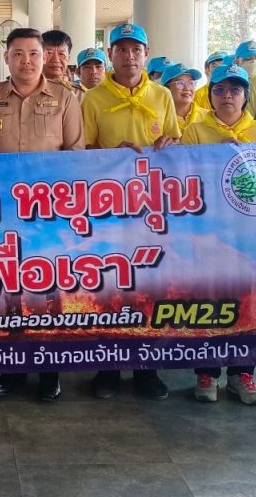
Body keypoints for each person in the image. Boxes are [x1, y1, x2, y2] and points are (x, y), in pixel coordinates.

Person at [0, 28, 85, 403]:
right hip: (3, 211)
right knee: (9, 290)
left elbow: (74, 156)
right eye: (18, 54)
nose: (27, 61)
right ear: (7, 58)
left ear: (44, 56)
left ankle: (50, 370)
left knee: (50, 288)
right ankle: (13, 367)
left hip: (48, 212)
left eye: (34, 53)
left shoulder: (65, 99)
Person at [81, 22, 177, 401]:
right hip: (108, 208)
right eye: (121, 49)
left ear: (146, 54)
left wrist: (170, 143)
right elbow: (82, 151)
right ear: (111, 55)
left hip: (153, 207)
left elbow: (175, 141)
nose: (129, 56)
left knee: (150, 285)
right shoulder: (92, 99)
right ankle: (107, 367)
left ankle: (146, 368)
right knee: (110, 285)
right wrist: (111, 155)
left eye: (136, 49)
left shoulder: (163, 96)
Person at [182, 64, 256, 405]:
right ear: (210, 95)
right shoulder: (195, 131)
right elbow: (184, 177)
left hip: (251, 233)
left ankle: (243, 372)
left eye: (235, 90)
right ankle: (206, 371)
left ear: (246, 96)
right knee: (207, 299)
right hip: (208, 229)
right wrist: (215, 157)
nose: (227, 96)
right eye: (219, 90)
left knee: (249, 300)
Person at [40, 30, 82, 100]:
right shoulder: (28, 89)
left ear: (68, 59)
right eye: (49, 53)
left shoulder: (79, 93)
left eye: (61, 54)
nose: (56, 59)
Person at [160, 63, 204, 130]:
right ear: (166, 89)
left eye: (191, 83)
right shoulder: (159, 119)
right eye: (180, 83)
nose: (187, 88)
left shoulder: (207, 117)